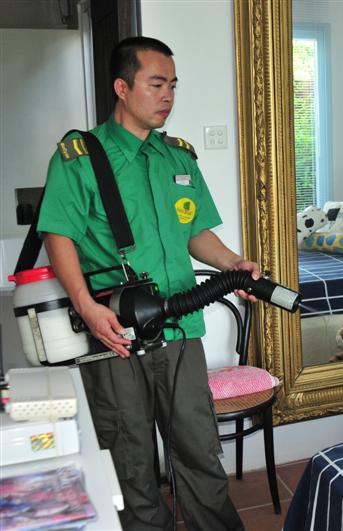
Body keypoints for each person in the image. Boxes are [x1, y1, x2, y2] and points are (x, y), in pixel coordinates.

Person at [37, 36, 253, 530]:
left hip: (180, 329)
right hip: (115, 333)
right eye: (156, 84)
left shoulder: (178, 157)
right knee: (129, 459)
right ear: (122, 87)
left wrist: (234, 263)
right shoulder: (79, 157)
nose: (168, 95)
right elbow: (58, 235)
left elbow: (196, 232)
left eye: (173, 85)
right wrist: (86, 306)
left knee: (199, 451)